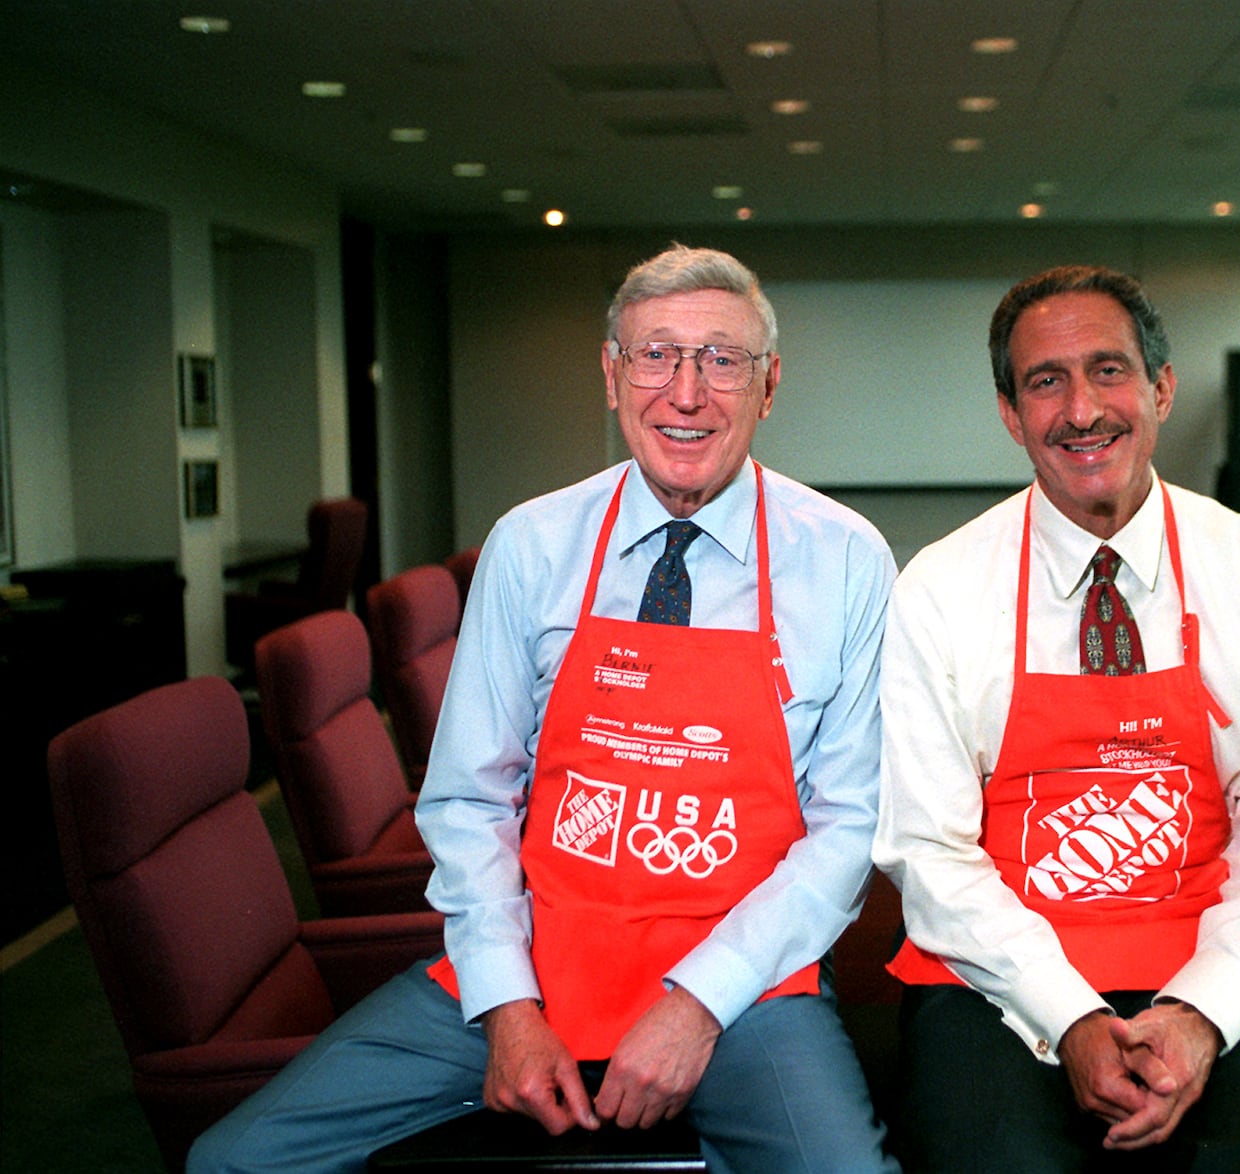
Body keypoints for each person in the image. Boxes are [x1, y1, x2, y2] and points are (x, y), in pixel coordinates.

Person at [191, 245, 900, 1174]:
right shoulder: (531, 545)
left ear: (768, 388)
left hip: (748, 981)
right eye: (656, 356)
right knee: (236, 1160)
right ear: (612, 376)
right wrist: (509, 1007)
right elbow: (466, 800)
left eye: (723, 360)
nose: (686, 393)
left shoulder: (846, 560)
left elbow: (848, 830)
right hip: (535, 954)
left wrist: (696, 1003)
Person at [871, 265, 1240, 1172]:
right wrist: (1073, 1015)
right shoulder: (941, 587)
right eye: (1046, 381)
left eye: (1109, 370)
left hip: (1217, 955)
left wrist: (1202, 1014)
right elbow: (928, 849)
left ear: (1161, 388)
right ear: (1012, 415)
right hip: (998, 969)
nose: (1082, 409)